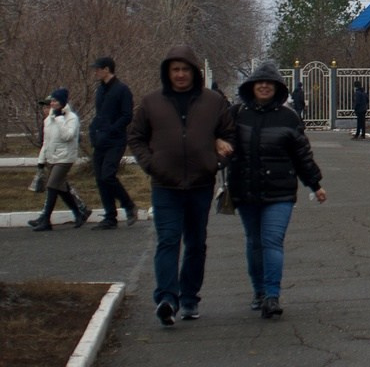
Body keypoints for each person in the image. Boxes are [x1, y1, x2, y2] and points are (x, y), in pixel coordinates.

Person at [128, 45, 235, 326]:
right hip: (165, 185)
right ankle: (167, 299)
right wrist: (151, 164)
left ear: (194, 72)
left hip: (200, 183)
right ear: (167, 72)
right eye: (175, 69)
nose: (180, 74)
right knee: (168, 240)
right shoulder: (152, 102)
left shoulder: (213, 102)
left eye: (185, 69)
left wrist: (216, 161)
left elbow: (229, 134)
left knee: (196, 243)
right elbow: (136, 136)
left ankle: (189, 298)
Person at [227, 61, 326, 320]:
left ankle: (272, 295)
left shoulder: (289, 118)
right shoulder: (237, 114)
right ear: (251, 86)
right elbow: (222, 145)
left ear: (278, 88)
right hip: (245, 190)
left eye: (269, 83)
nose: (264, 86)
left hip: (280, 192)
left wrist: (315, 184)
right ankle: (259, 291)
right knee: (254, 241)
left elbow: (302, 155)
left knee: (271, 240)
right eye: (259, 82)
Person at [88, 56, 139, 230]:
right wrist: (93, 131)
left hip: (115, 140)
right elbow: (99, 114)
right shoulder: (100, 90)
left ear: (107, 69)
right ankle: (110, 216)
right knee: (100, 178)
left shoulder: (122, 90)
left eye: (98, 69)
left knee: (108, 175)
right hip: (100, 140)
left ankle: (129, 205)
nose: (95, 72)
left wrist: (111, 129)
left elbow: (127, 115)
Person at [29, 88, 90, 231]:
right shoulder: (48, 119)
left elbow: (68, 136)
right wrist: (41, 161)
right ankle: (79, 214)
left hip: (65, 158)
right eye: (52, 101)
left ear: (62, 102)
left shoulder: (71, 118)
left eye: (55, 101)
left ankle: (46, 220)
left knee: (52, 186)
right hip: (52, 157)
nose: (52, 103)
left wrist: (59, 119)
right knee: (62, 188)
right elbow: (46, 142)